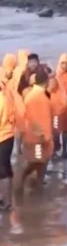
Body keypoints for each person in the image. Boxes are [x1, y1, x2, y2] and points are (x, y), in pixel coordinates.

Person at [19, 71, 54, 192]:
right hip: (39, 138)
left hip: (39, 136)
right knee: (36, 162)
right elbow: (36, 120)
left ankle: (38, 184)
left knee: (41, 162)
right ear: (46, 82)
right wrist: (41, 136)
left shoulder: (34, 95)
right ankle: (20, 182)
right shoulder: (39, 97)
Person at [49, 53, 67, 159]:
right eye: (62, 63)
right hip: (56, 109)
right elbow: (49, 90)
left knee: (66, 130)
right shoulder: (55, 76)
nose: (65, 65)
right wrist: (52, 80)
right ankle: (54, 152)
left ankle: (65, 150)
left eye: (66, 63)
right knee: (56, 132)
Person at [0, 76, 15, 210]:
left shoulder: (1, 100)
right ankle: (5, 198)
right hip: (8, 135)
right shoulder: (5, 96)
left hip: (3, 137)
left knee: (3, 170)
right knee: (5, 168)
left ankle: (6, 201)